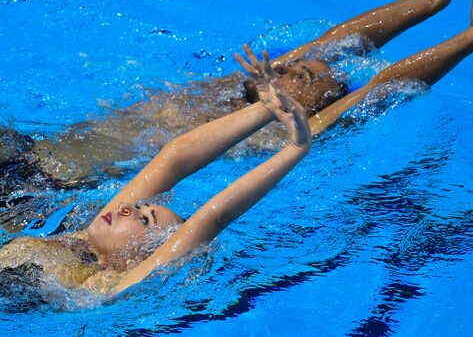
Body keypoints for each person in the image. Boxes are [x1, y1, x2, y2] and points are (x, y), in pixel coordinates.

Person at [1, 0, 471, 192]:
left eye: (301, 74)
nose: (286, 63)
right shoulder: (239, 87)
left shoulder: (273, 133)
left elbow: (381, 86)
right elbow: (339, 41)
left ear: (305, 110)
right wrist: (432, 1)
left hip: (44, 191)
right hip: (29, 149)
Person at [0, 57, 311, 295]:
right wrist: (267, 107)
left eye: (143, 219)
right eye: (138, 209)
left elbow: (212, 218)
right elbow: (173, 158)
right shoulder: (85, 241)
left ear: (139, 259)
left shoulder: (104, 289)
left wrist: (294, 148)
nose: (124, 207)